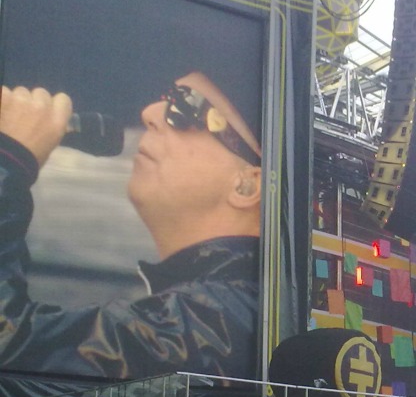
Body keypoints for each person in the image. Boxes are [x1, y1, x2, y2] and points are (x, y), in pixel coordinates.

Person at [0, 71, 262, 380]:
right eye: (165, 98)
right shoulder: (223, 312)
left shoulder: (228, 320)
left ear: (247, 185)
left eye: (185, 106)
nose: (150, 113)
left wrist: (10, 160)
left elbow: (11, 348)